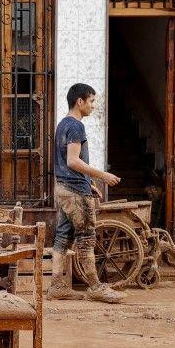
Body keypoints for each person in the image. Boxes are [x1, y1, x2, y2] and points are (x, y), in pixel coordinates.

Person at [48, 83, 125, 304]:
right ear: (79, 101)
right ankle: (94, 286)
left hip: (64, 188)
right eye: (91, 101)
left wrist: (88, 182)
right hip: (74, 192)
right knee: (86, 237)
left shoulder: (63, 125)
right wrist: (102, 175)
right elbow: (72, 160)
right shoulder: (76, 127)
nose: (93, 106)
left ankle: (56, 286)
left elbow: (65, 161)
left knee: (63, 236)